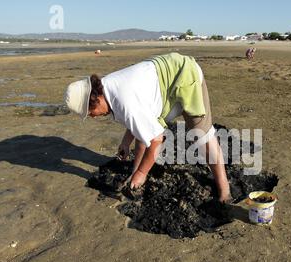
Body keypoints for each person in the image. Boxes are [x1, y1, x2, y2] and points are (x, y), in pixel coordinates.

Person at [64, 52, 231, 203]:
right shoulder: (108, 87)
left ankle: (224, 189)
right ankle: (135, 174)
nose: (92, 116)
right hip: (163, 78)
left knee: (202, 136)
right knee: (142, 133)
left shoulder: (124, 101)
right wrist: (125, 143)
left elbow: (157, 140)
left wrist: (142, 173)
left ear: (96, 99)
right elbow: (137, 121)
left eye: (90, 112)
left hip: (184, 75)